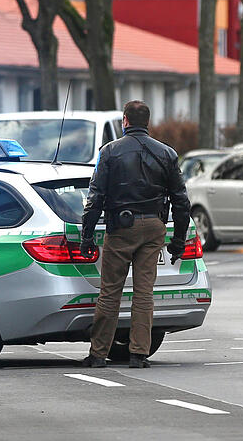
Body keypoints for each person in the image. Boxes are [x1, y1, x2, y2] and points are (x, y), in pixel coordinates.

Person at [79, 100, 190, 369]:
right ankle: (139, 354)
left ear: (125, 121)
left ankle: (98, 354)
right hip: (153, 227)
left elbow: (95, 199)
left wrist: (87, 236)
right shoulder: (166, 153)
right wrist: (178, 241)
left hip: (120, 228)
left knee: (110, 293)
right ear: (147, 122)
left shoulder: (109, 152)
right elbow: (181, 201)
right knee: (144, 293)